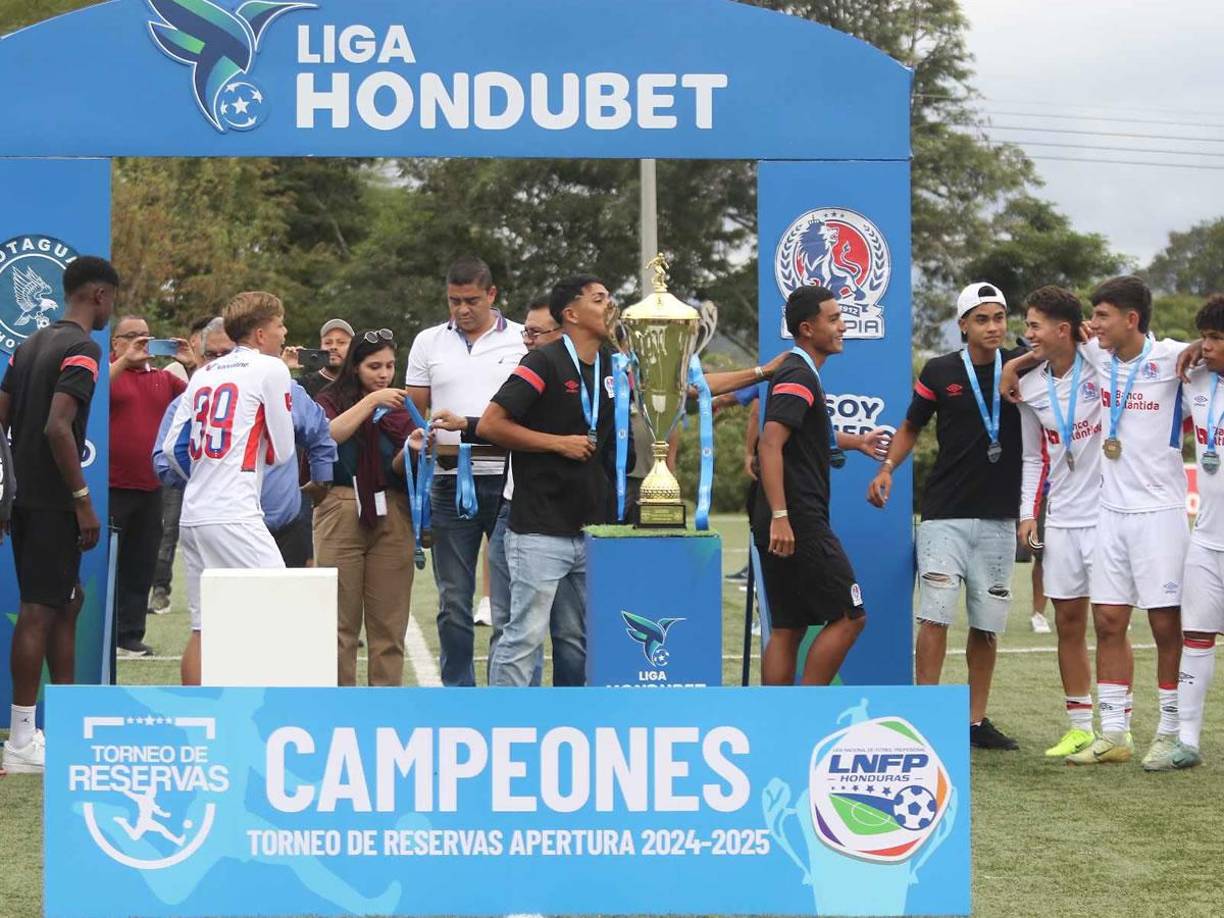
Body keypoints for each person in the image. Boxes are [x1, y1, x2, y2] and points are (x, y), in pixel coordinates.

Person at [1004, 276, 1189, 767]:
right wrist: (1018, 363)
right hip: (1109, 514)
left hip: (1161, 512)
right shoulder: (1096, 357)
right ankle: (1112, 733)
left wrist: (1204, 350)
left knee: (1167, 623)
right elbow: (1055, 350)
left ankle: (1173, 731)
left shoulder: (1172, 358)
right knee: (1107, 620)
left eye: (1103, 315)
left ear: (1131, 319)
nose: (1095, 324)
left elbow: (1207, 353)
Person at [868, 282, 1024, 750]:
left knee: (988, 625)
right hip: (944, 516)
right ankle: (924, 717)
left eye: (999, 317)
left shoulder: (1021, 364)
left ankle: (975, 721)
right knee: (934, 618)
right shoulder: (939, 371)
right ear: (963, 325)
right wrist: (887, 467)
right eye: (982, 318)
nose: (993, 326)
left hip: (1000, 517)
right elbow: (911, 425)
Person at [0, 256, 115, 775]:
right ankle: (22, 741)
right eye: (113, 298)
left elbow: (4, 412)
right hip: (51, 502)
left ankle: (64, 727)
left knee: (68, 600)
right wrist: (81, 498)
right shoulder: (83, 349)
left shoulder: (27, 347)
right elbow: (56, 427)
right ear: (98, 295)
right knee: (39, 609)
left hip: (26, 497)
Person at [478, 275, 617, 686]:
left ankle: (571, 724)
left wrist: (761, 373)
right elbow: (491, 424)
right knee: (523, 637)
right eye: (599, 298)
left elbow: (679, 388)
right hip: (539, 529)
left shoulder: (615, 364)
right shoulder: (542, 362)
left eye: (609, 297)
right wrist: (558, 444)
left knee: (578, 640)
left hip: (592, 527)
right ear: (571, 314)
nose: (610, 305)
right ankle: (505, 728)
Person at [162, 292, 296, 686]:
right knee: (284, 608)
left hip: (194, 511)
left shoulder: (204, 372)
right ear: (259, 333)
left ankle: (199, 720)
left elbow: (172, 448)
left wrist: (205, 475)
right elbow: (285, 450)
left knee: (205, 626)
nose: (284, 332)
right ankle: (267, 719)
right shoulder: (271, 369)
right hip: (233, 511)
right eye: (279, 324)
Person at [404, 256, 526, 686]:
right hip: (449, 478)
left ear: (492, 295)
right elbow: (414, 408)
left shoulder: (521, 339)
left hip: (511, 479)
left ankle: (503, 691)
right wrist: (420, 435)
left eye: (471, 300)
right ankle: (458, 692)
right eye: (454, 300)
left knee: (509, 602)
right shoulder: (428, 342)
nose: (462, 309)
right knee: (453, 600)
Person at [753, 286, 881, 684]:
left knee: (789, 627)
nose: (843, 325)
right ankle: (808, 715)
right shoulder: (798, 372)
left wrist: (856, 442)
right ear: (807, 329)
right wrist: (781, 516)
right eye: (833, 319)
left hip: (782, 515)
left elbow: (807, 435)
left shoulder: (800, 371)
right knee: (850, 615)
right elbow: (769, 443)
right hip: (795, 518)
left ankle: (777, 727)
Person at [153, 318, 337, 568]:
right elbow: (164, 461)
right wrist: (211, 478)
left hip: (281, 525)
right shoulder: (190, 396)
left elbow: (319, 433)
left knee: (275, 602)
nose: (220, 360)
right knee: (259, 600)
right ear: (198, 356)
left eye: (227, 353)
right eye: (211, 354)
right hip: (230, 516)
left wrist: (320, 482)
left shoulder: (282, 387)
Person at [1014, 286, 1101, 758]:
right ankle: (1080, 725)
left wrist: (1090, 345)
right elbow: (1033, 456)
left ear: (1062, 330)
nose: (1026, 334)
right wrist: (1029, 513)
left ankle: (1117, 728)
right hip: (1063, 517)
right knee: (1067, 621)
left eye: (1033, 325)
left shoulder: (1101, 369)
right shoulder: (1029, 386)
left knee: (1109, 621)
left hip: (1109, 514)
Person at [315, 329, 418, 686]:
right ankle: (339, 707)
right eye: (374, 366)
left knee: (389, 625)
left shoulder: (401, 408)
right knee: (338, 625)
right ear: (354, 367)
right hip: (341, 504)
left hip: (392, 507)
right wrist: (370, 402)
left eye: (390, 366)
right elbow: (326, 436)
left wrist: (415, 448)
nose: (384, 374)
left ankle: (384, 708)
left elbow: (397, 467)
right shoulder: (330, 399)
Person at [1148, 293, 1224, 770]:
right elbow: (1152, 348)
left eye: (1217, 338)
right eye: (1207, 337)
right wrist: (1196, 344)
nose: (1208, 346)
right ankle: (1187, 741)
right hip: (1207, 540)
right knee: (1195, 638)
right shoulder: (1196, 375)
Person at [108, 315, 188, 657]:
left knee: (141, 564)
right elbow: (91, 391)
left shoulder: (164, 379)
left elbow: (201, 400)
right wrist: (124, 361)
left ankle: (129, 635)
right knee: (108, 564)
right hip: (110, 485)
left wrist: (192, 363)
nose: (141, 342)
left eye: (145, 336)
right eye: (131, 336)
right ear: (116, 343)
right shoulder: (108, 373)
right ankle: (104, 634)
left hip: (151, 486)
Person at [151, 315, 215, 614]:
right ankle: (160, 588)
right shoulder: (174, 371)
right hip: (184, 467)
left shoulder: (227, 370)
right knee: (170, 528)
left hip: (215, 471)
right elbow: (188, 403)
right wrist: (190, 365)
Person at [298, 318, 354, 400]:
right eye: (328, 343)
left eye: (341, 342)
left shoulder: (362, 383)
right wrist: (284, 365)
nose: (333, 347)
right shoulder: (303, 385)